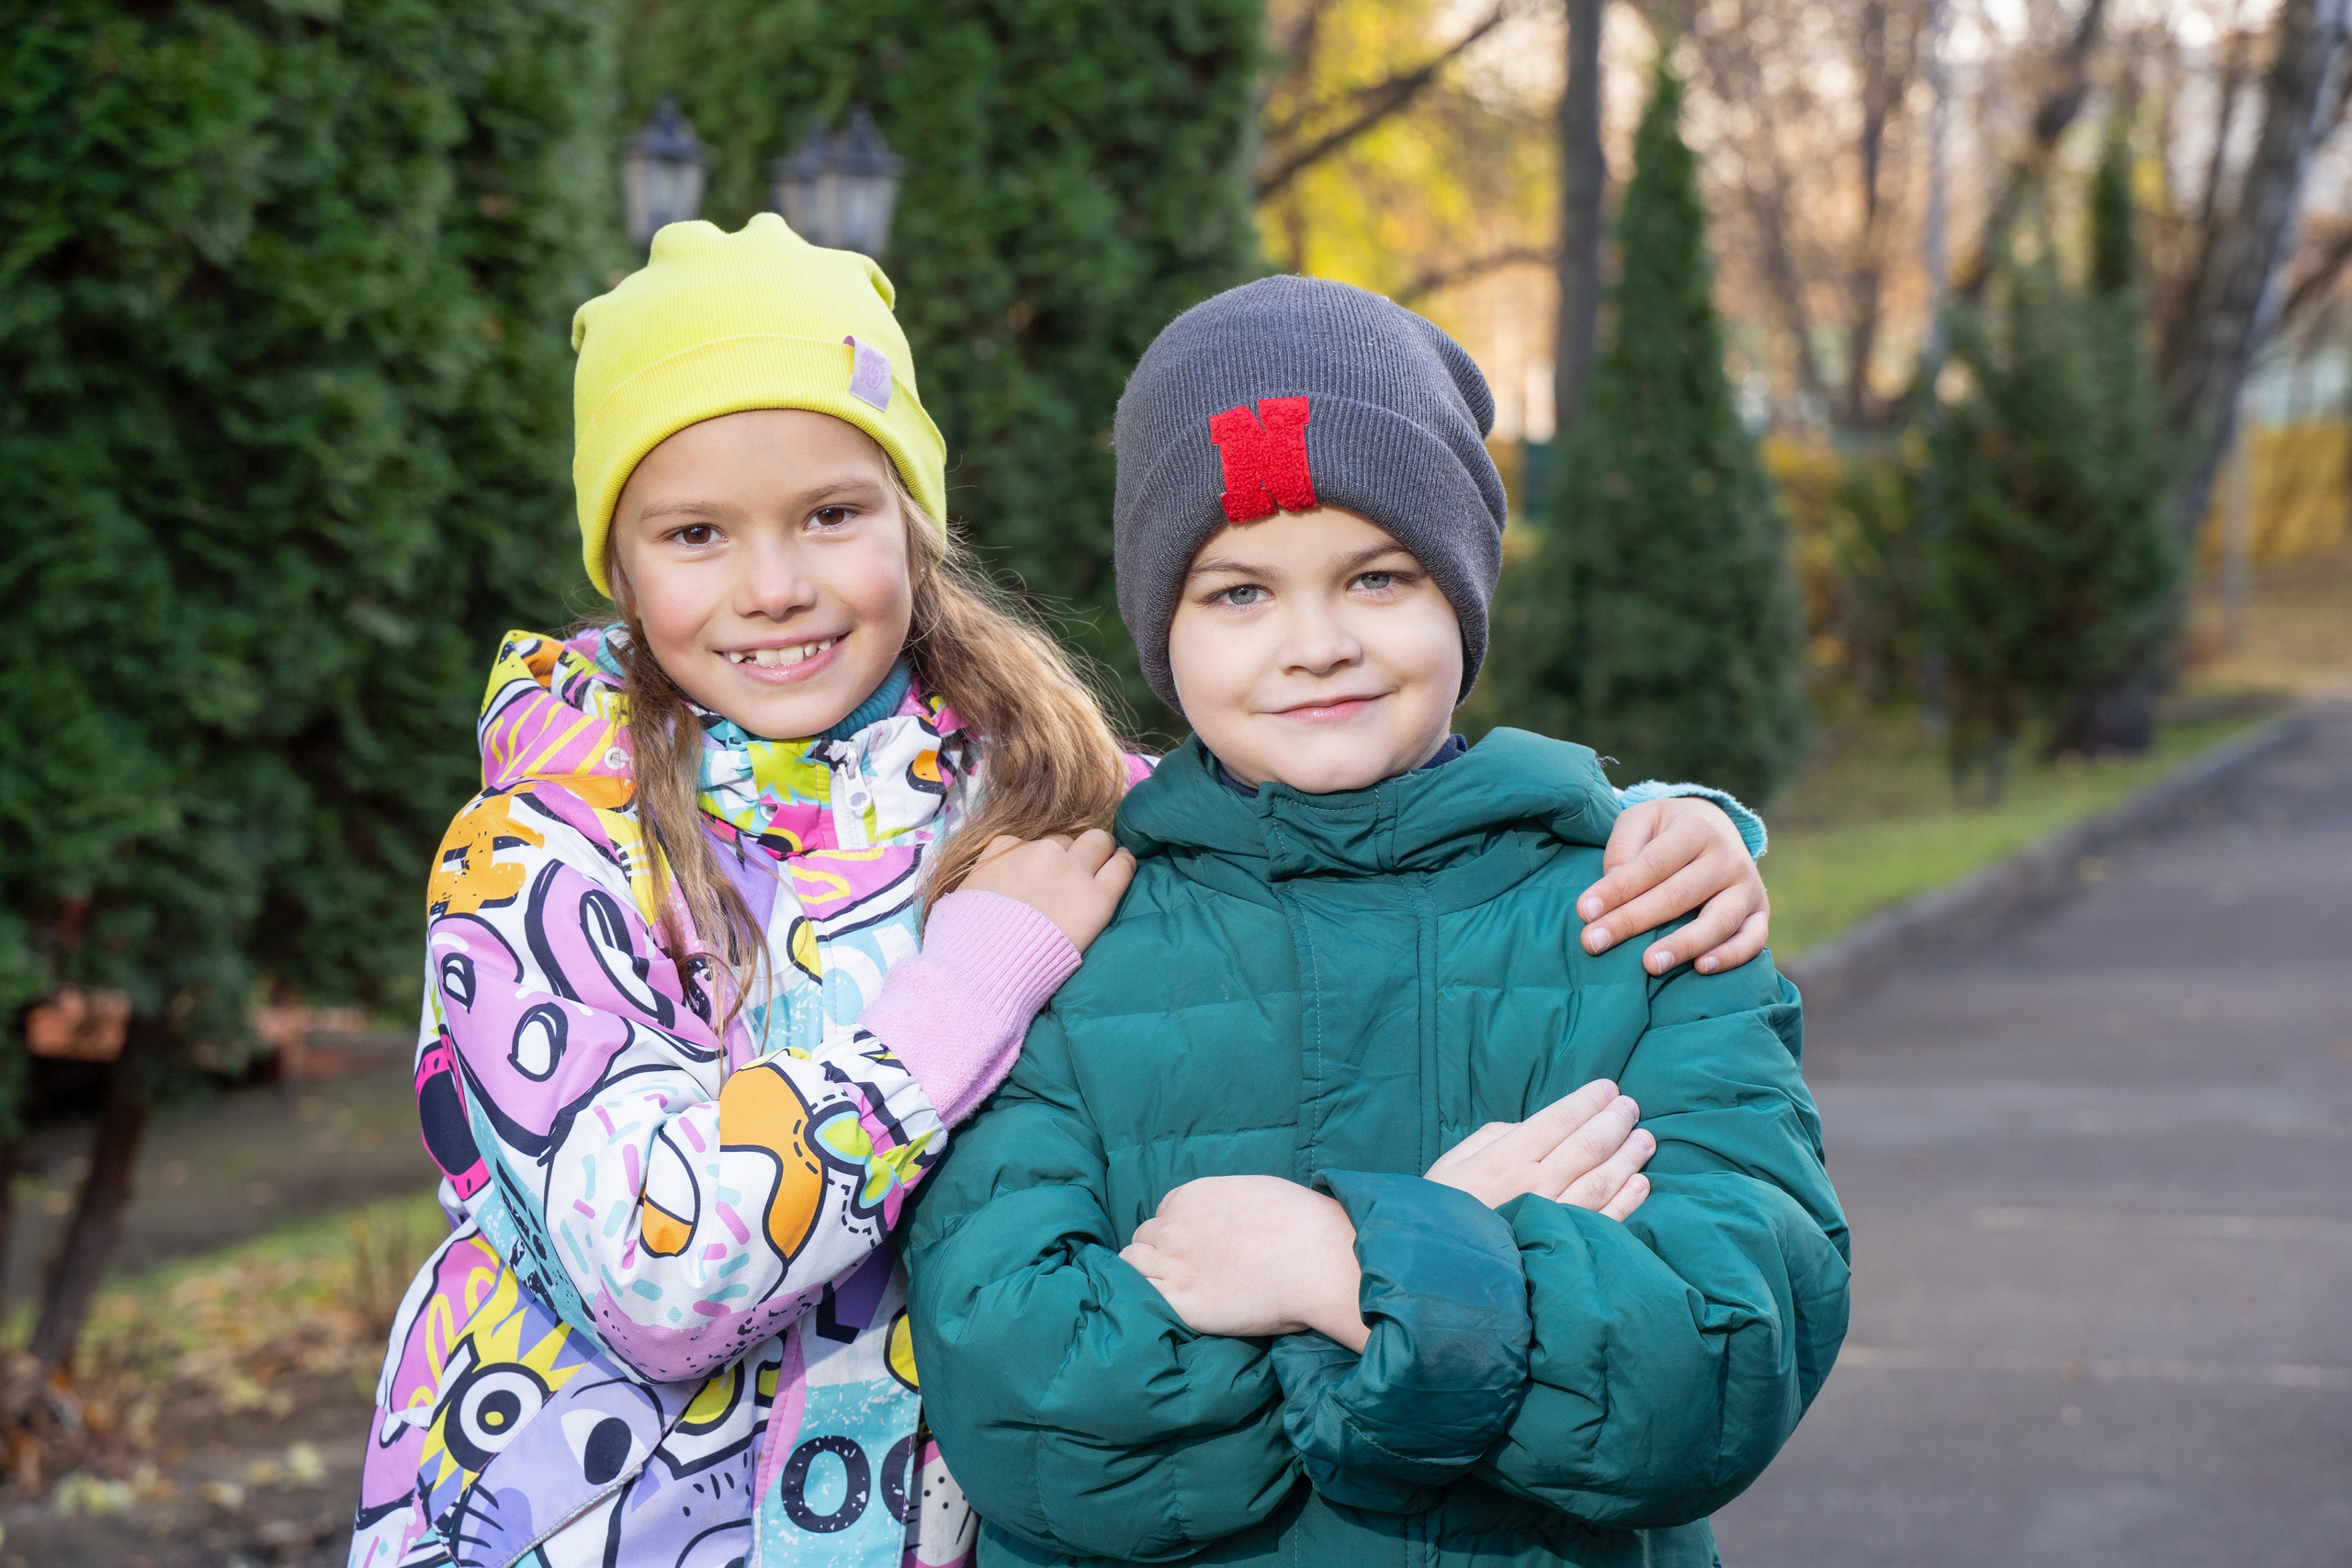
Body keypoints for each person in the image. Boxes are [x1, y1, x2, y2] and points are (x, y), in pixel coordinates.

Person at [351, 220, 1779, 1568]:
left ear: (914, 521)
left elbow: (1304, 789)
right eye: (695, 535)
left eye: (834, 511)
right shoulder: (543, 854)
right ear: (619, 555)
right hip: (593, 1519)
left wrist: (1663, 825)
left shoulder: (1035, 785)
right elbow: (651, 1286)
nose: (773, 583)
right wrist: (953, 1007)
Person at [905, 276, 1850, 1568]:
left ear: (1460, 589)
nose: (1316, 644)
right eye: (1239, 592)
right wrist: (1454, 1267)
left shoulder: (1643, 916)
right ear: (1160, 623)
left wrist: (1334, 1266)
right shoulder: (1064, 937)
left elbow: (1714, 1371)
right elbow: (1031, 1426)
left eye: (1378, 576)